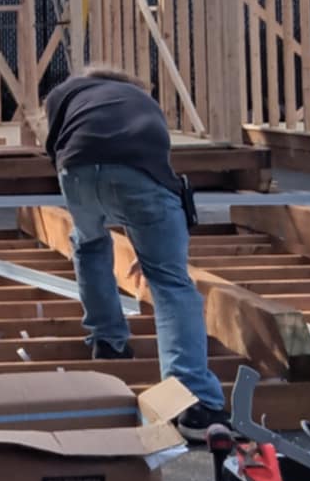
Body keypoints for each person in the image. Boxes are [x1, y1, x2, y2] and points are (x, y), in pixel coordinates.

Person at [43, 63, 227, 441]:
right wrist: (153, 249)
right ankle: (192, 402)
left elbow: (56, 146)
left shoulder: (66, 93)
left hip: (76, 169)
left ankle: (108, 342)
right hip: (138, 173)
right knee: (170, 282)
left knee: (89, 243)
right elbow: (153, 169)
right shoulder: (142, 100)